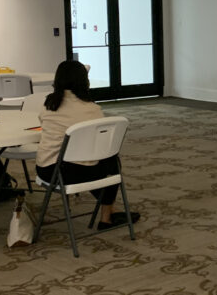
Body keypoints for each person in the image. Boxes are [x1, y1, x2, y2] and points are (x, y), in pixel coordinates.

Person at [35, 60, 140, 229]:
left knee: (104, 160)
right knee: (111, 159)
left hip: (51, 171)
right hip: (86, 172)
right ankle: (107, 216)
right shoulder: (93, 109)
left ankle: (110, 212)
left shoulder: (48, 105)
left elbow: (43, 124)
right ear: (84, 81)